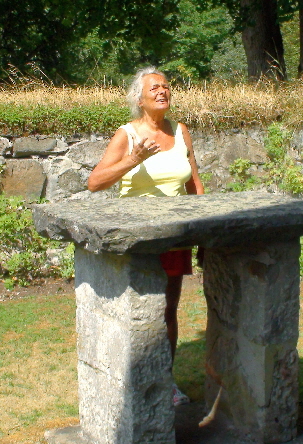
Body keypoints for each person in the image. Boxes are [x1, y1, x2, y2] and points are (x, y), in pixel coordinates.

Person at [87, 66, 204, 406]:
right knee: (137, 314)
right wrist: (133, 159)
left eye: (166, 86)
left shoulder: (181, 131)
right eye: (154, 88)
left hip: (175, 237)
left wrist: (205, 231)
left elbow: (194, 184)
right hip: (138, 241)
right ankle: (131, 383)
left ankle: (165, 381)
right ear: (139, 98)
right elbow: (96, 182)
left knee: (168, 311)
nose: (162, 91)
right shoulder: (127, 135)